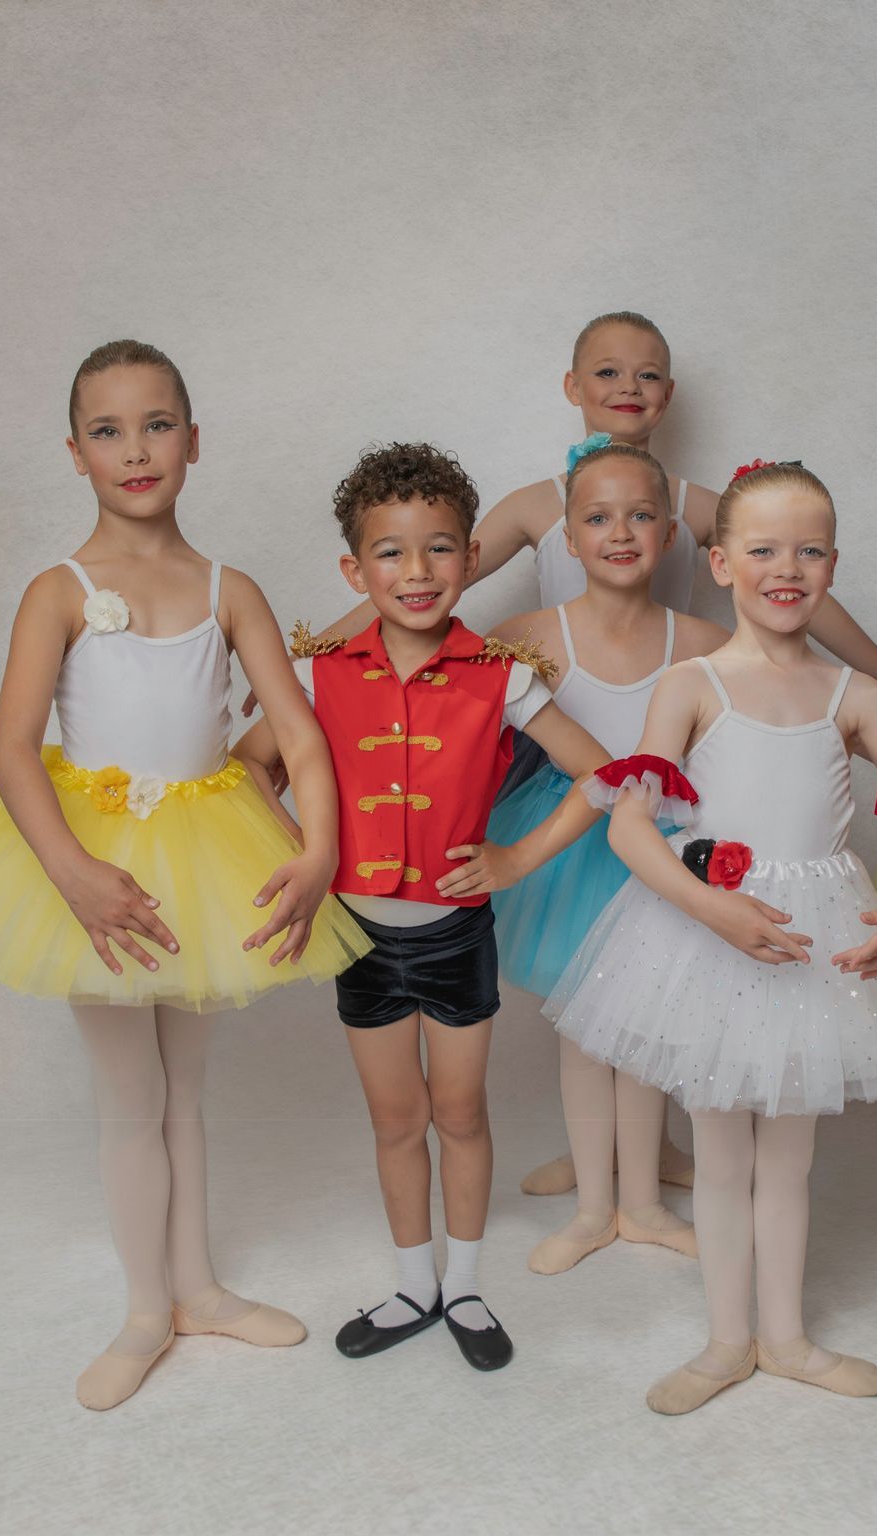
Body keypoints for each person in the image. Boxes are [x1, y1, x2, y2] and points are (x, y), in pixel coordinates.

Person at [0, 341, 369, 1409]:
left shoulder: (228, 589)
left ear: (193, 442)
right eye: (108, 431)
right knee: (130, 1094)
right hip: (96, 864)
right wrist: (72, 876)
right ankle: (145, 1310)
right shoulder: (57, 591)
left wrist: (319, 850)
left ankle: (198, 1288)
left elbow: (299, 731)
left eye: (156, 426)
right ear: (76, 453)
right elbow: (13, 750)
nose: (136, 450)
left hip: (206, 848)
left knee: (185, 1088)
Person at [545, 460, 877, 1414]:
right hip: (712, 937)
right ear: (723, 562)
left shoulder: (856, 694)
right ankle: (725, 1343)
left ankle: (788, 1340)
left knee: (789, 1158)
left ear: (833, 566)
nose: (788, 568)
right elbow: (629, 828)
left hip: (814, 943)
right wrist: (710, 908)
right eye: (766, 549)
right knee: (722, 1154)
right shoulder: (691, 684)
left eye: (810, 551)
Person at [235, 442, 610, 1371]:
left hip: (455, 935)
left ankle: (468, 1285)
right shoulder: (317, 673)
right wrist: (308, 854)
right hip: (359, 936)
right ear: (354, 570)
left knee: (462, 1114)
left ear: (471, 558)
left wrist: (517, 857)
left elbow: (602, 773)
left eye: (440, 548)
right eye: (391, 552)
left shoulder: (501, 674)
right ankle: (414, 1283)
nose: (417, 571)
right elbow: (247, 766)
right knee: (397, 1121)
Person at [486, 440, 728, 1274]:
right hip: (570, 847)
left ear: (670, 533)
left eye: (640, 516)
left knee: (648, 1029)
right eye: (597, 517)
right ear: (568, 536)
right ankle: (595, 1208)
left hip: (663, 846)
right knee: (587, 1036)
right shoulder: (526, 638)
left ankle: (645, 1203)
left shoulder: (704, 641)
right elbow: (441, 695)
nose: (619, 533)